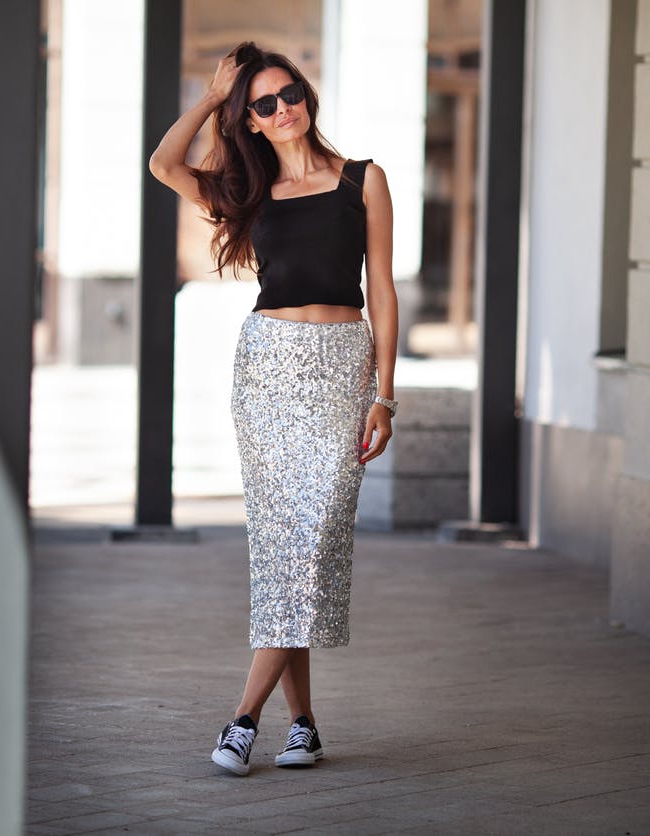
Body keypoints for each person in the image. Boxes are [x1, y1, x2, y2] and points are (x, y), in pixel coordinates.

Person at [149, 41, 398, 777]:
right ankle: (303, 727)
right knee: (287, 551)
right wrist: (209, 96)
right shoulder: (245, 191)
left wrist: (385, 394)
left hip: (342, 368)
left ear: (305, 99)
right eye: (263, 104)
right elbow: (165, 165)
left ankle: (242, 719)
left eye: (290, 94)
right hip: (268, 374)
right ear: (249, 120)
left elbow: (380, 290)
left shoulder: (363, 180)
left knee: (312, 544)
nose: (282, 109)